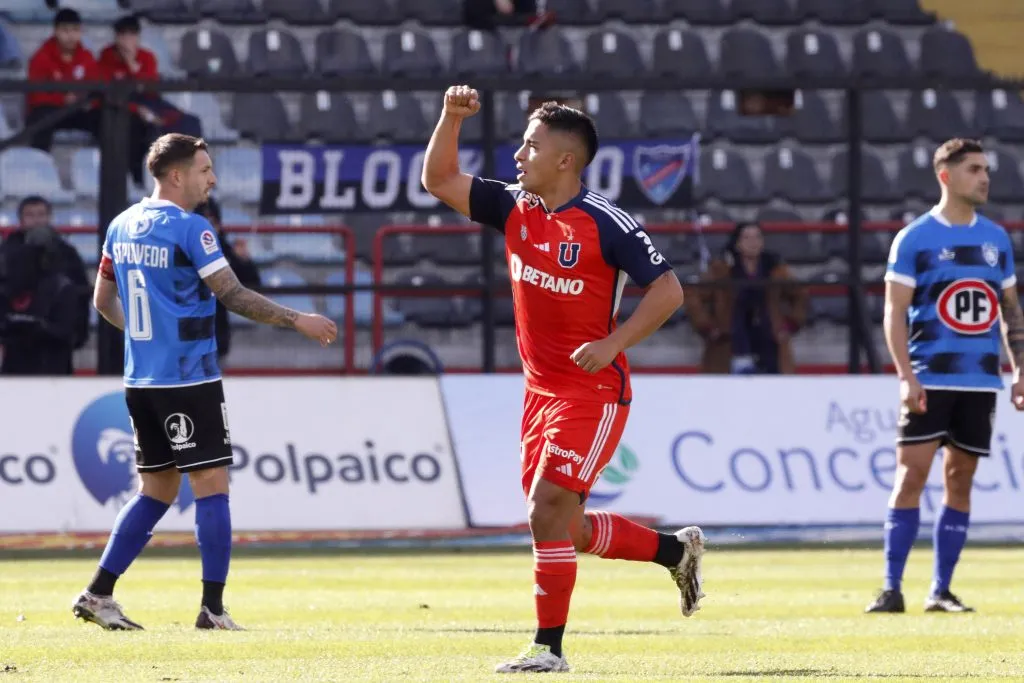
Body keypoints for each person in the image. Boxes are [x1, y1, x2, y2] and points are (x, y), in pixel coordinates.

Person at [422, 85, 705, 674]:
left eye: (530, 146)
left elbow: (669, 290)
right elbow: (440, 180)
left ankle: (548, 649)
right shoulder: (513, 206)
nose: (519, 156)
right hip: (539, 391)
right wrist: (451, 117)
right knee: (564, 527)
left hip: (592, 390)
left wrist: (613, 343)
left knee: (545, 507)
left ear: (565, 160)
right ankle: (675, 550)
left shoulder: (608, 224)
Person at [72, 133, 337, 631]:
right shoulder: (192, 229)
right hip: (188, 380)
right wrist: (296, 318)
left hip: (141, 380)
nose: (212, 178)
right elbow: (232, 295)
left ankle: (98, 593)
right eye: (204, 169)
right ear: (177, 175)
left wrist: (146, 336)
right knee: (213, 486)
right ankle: (213, 610)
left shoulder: (121, 225)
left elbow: (101, 301)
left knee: (156, 489)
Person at [866, 138, 1024, 614]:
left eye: (986, 169)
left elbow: (1010, 314)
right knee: (910, 476)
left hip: (979, 381)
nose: (984, 177)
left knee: (961, 479)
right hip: (930, 378)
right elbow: (893, 313)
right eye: (974, 169)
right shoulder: (914, 238)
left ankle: (941, 590)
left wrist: (1020, 370)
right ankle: (891, 588)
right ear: (946, 176)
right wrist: (905, 375)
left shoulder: (997, 240)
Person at [686, 221, 807, 374]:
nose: (753, 242)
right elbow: (693, 295)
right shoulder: (721, 270)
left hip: (770, 342)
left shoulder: (776, 270)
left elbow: (801, 294)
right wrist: (707, 327)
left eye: (757, 238)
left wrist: (790, 324)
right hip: (730, 343)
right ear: (737, 243)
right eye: (747, 238)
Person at [0, 196, 90, 351]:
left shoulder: (67, 252)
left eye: (41, 215)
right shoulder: (6, 252)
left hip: (57, 338)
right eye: (30, 215)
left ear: (49, 217)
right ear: (20, 219)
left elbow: (79, 289)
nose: (36, 220)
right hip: (16, 340)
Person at [0, 236, 84, 374]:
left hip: (52, 372)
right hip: (14, 373)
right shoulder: (9, 289)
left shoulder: (61, 288)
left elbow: (69, 332)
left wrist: (39, 327)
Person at [193, 197, 261, 359]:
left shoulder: (225, 249)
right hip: (188, 334)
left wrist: (244, 261)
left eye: (213, 221)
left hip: (217, 334)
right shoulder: (182, 250)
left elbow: (252, 283)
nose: (209, 227)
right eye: (204, 221)